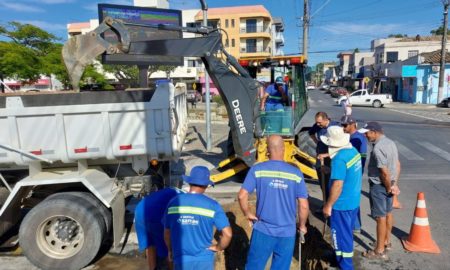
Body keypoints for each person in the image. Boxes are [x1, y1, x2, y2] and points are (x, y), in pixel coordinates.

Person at [238, 135, 309, 270]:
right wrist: (302, 225)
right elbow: (304, 205)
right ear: (283, 149)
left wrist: (247, 213)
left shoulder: (257, 170)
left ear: (267, 150)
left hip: (263, 229)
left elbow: (242, 196)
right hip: (287, 232)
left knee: (254, 267)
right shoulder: (295, 173)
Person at [163, 166, 232, 270]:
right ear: (206, 185)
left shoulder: (173, 203)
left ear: (190, 182)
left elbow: (167, 232)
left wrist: (170, 250)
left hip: (181, 259)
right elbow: (228, 234)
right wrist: (218, 247)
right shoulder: (212, 205)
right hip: (204, 260)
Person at [321, 126, 363, 270]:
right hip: (353, 201)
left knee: (339, 235)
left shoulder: (338, 159)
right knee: (346, 233)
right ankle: (339, 257)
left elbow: (338, 185)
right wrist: (331, 172)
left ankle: (345, 265)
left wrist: (328, 205)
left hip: (341, 204)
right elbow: (348, 173)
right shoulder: (352, 151)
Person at [359, 122, 401, 260]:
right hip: (390, 184)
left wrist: (389, 186)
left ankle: (379, 250)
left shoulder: (378, 148)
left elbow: (383, 172)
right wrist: (394, 184)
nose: (365, 135)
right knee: (388, 213)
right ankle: (386, 242)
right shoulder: (390, 143)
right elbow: (397, 164)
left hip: (380, 185)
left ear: (374, 131)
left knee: (380, 217)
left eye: (367, 133)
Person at [135, 187, 183, 270]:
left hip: (140, 210)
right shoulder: (184, 200)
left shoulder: (177, 192)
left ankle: (152, 268)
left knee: (150, 244)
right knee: (169, 249)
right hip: (154, 215)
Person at [341, 116, 368, 234]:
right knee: (353, 198)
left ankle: (355, 226)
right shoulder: (354, 137)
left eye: (345, 125)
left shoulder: (356, 139)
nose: (343, 128)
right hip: (356, 173)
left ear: (352, 125)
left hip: (353, 174)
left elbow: (353, 158)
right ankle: (356, 224)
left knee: (351, 198)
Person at [309, 112, 339, 200]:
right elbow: (311, 133)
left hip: (331, 158)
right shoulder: (317, 126)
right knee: (323, 182)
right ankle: (325, 202)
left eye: (320, 122)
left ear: (326, 120)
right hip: (320, 157)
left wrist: (327, 154)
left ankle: (331, 202)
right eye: (317, 122)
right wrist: (317, 142)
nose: (318, 124)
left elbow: (339, 147)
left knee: (330, 182)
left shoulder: (335, 127)